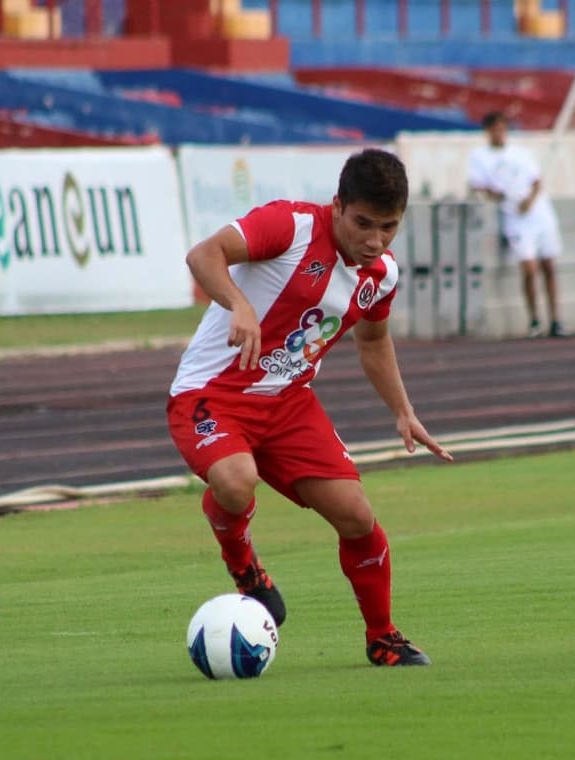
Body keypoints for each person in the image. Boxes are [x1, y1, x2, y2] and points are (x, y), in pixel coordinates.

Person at [167, 148, 453, 668]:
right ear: (338, 205)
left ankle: (383, 637)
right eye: (363, 223)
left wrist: (402, 410)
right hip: (213, 394)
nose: (375, 240)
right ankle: (246, 568)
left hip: (289, 404)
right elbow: (203, 255)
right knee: (235, 481)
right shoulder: (291, 225)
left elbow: (373, 341)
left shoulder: (382, 274)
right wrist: (241, 304)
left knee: (358, 516)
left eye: (388, 227)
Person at [467, 110, 569, 338]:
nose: (499, 134)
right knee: (529, 268)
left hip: (539, 213)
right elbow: (478, 185)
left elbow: (536, 181)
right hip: (514, 217)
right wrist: (500, 195)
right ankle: (534, 320)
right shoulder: (479, 156)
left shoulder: (521, 153)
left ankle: (556, 320)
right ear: (488, 131)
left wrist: (529, 201)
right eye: (495, 129)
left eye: (503, 129)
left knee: (549, 265)